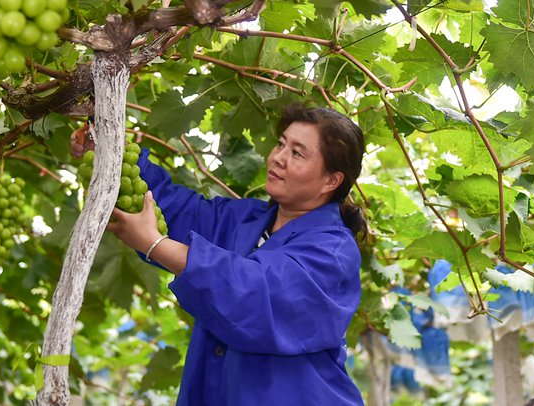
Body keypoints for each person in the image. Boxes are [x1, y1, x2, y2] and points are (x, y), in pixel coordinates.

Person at [108, 103, 367, 405]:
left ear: (331, 180)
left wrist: (155, 244)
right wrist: (111, 150)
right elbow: (172, 209)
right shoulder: (244, 219)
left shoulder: (333, 252)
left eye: (297, 153)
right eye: (281, 144)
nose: (278, 158)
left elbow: (254, 291)